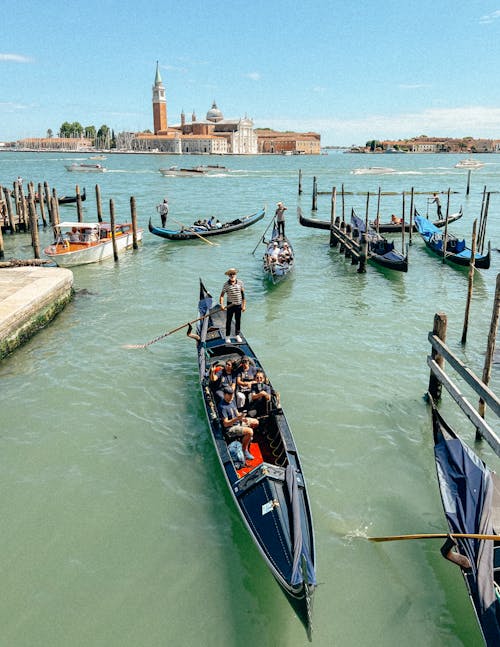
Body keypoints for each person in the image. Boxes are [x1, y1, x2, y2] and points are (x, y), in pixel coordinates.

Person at [218, 387, 259, 462]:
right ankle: (244, 450)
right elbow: (226, 424)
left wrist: (242, 418)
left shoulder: (232, 401)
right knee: (250, 431)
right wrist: (237, 419)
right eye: (229, 395)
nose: (231, 397)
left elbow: (236, 413)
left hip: (238, 422)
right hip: (230, 428)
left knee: (256, 422)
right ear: (224, 395)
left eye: (232, 395)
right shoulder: (222, 407)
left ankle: (245, 439)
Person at [220, 268, 245, 344]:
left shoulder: (240, 283)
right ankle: (227, 336)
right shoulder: (226, 285)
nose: (232, 275)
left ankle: (237, 335)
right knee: (229, 321)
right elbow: (221, 296)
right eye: (230, 274)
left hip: (238, 305)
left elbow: (243, 295)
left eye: (233, 273)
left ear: (235, 274)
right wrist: (222, 305)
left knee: (238, 321)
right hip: (230, 305)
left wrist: (244, 306)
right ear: (228, 275)